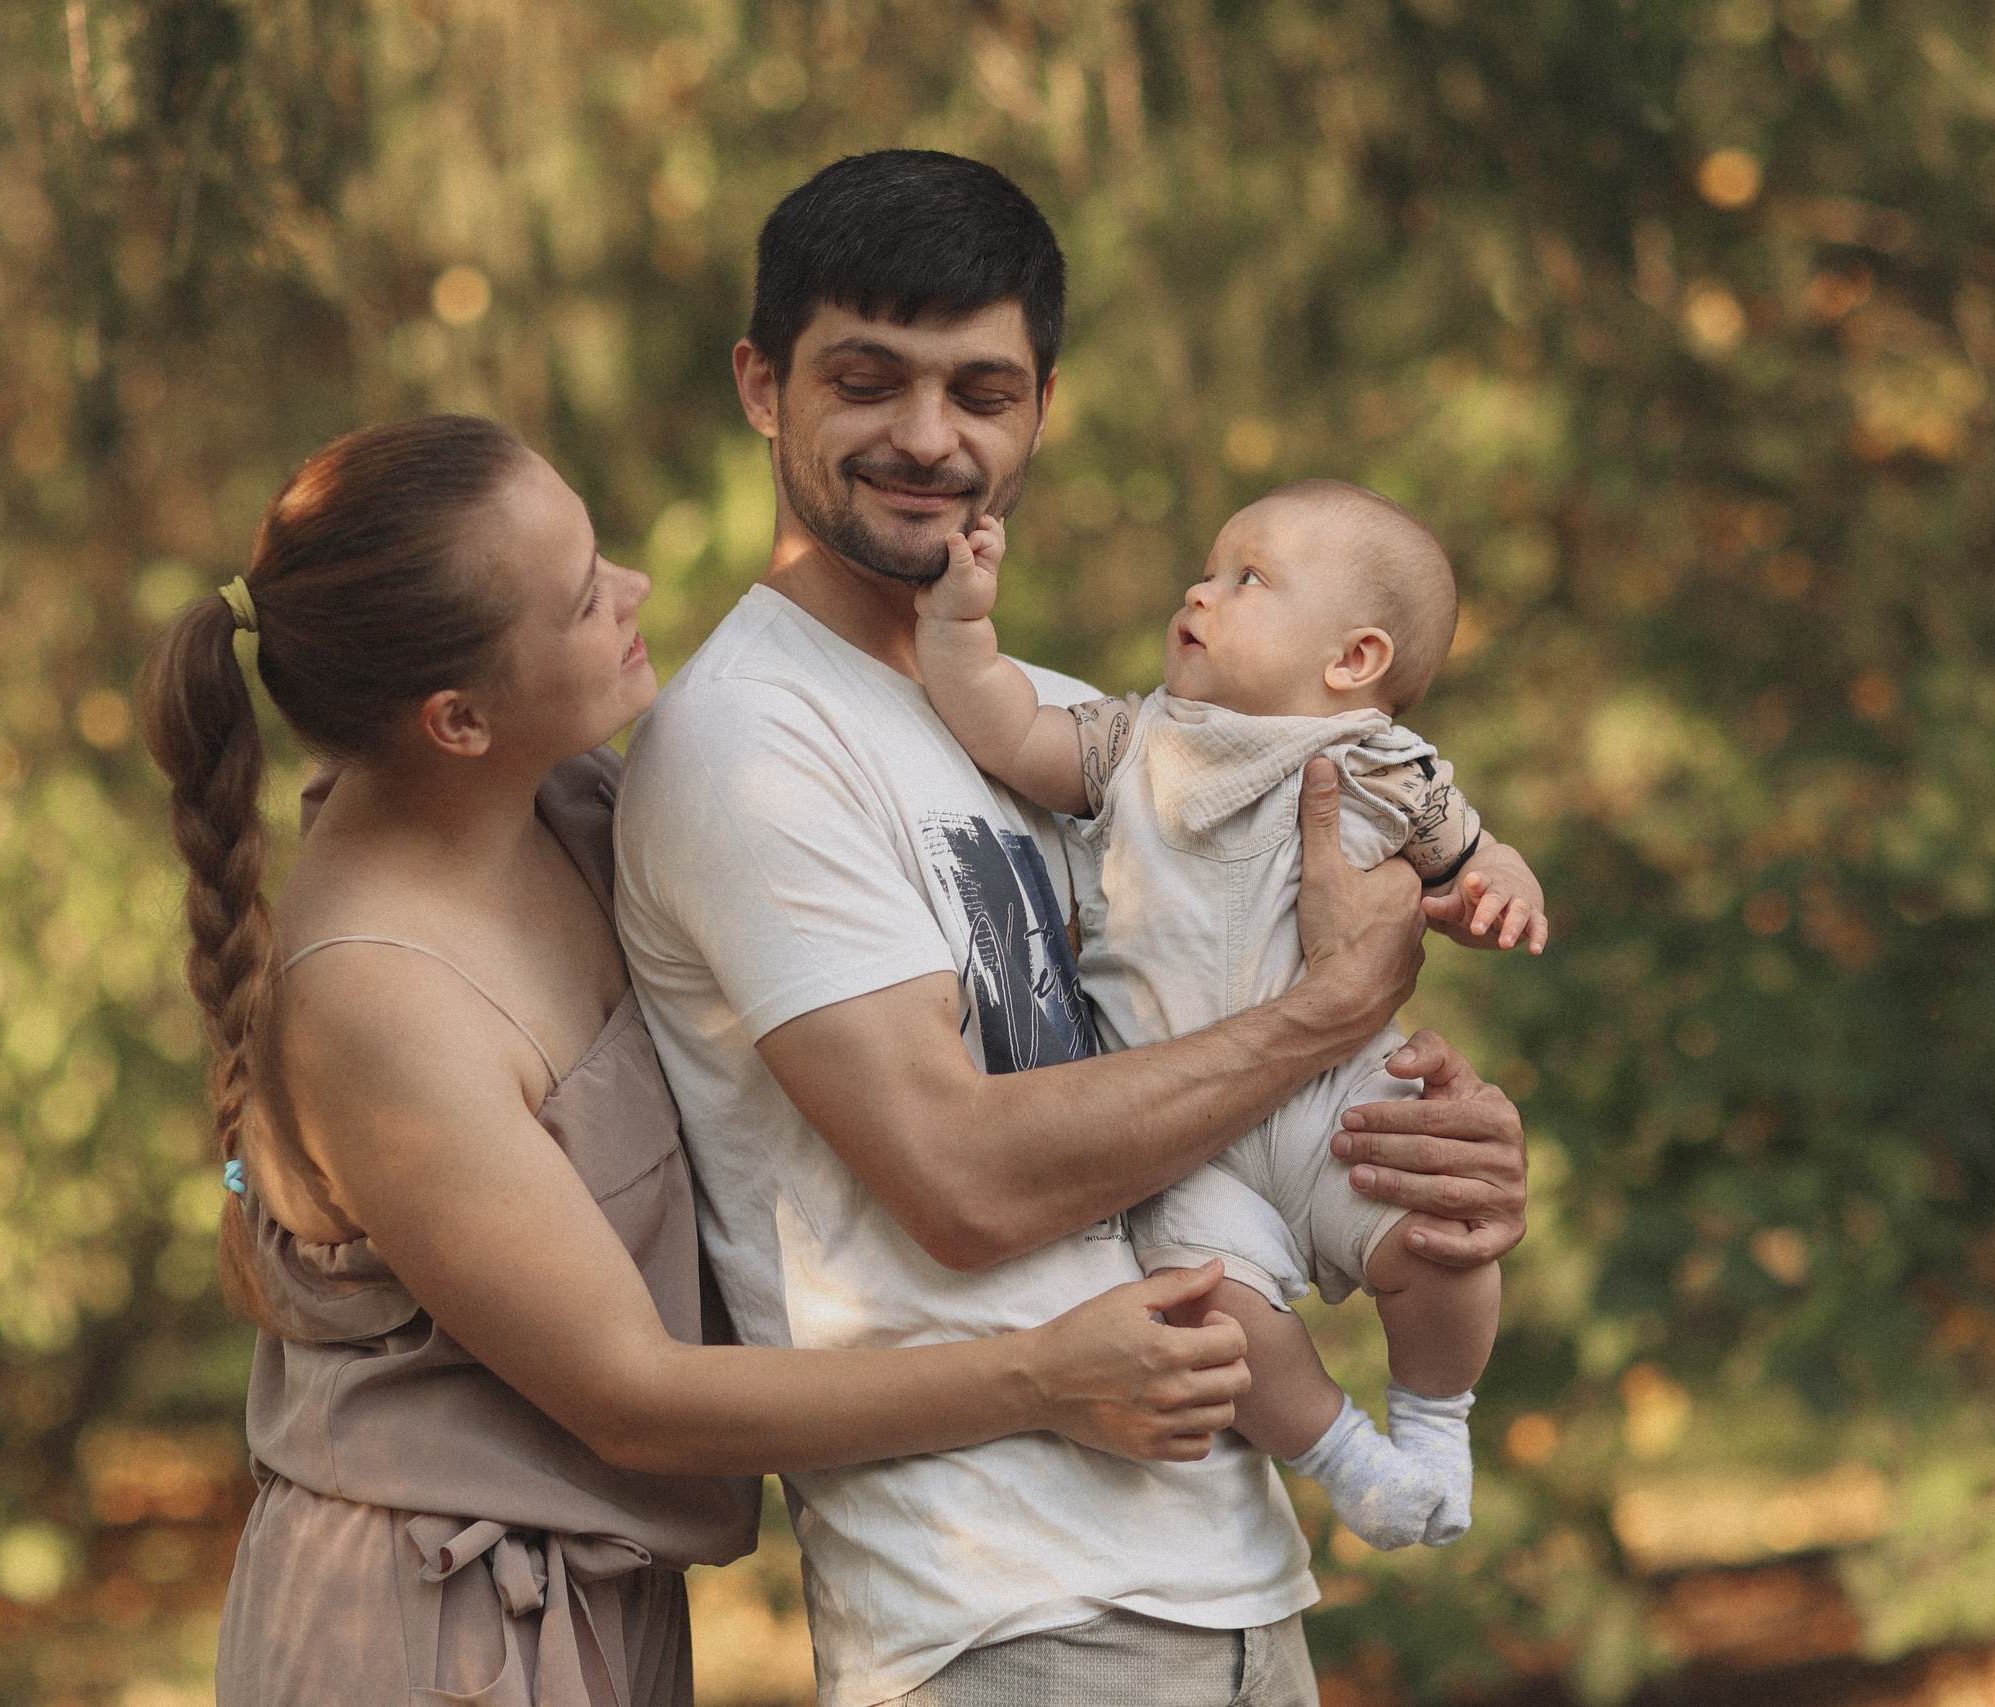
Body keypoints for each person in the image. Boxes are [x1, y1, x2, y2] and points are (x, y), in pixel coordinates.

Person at [137, 414, 1259, 1707]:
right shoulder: (382, 999)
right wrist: (1048, 1375)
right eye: (581, 597)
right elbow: (632, 1395)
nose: (637, 590)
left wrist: (1328, 1085)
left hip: (599, 1602)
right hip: (424, 1630)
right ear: (457, 717)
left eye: (601, 551)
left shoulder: (575, 809)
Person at [614, 150, 1531, 1706]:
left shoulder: (1057, 718)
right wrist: (1318, 1017)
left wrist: (1424, 1136)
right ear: (765, 385)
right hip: (1002, 1612)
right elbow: (962, 1180)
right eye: (867, 378)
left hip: (1226, 1578)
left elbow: (1204, 1041)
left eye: (982, 389)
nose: (928, 435)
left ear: (1043, 406)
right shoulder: (753, 743)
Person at [913, 480, 1546, 1551]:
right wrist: (958, 624)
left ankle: (1435, 1418)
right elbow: (1006, 728)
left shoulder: (1389, 765)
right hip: (1172, 1130)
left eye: (1245, 579)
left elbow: (1476, 855)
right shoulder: (1133, 740)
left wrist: (1499, 896)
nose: (1199, 594)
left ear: (1354, 663)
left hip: (1343, 1101)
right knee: (1204, 1303)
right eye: (1205, 572)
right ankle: (1344, 1457)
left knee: (1443, 1242)